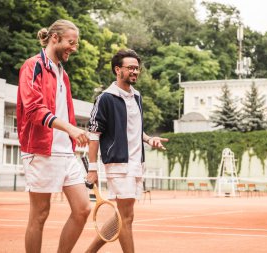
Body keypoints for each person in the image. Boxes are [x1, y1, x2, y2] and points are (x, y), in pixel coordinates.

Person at [17, 19, 90, 253]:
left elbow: (62, 110)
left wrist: (72, 134)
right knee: (39, 215)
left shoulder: (63, 74)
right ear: (55, 38)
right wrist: (70, 128)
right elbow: (34, 109)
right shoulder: (33, 65)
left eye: (76, 44)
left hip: (65, 152)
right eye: (71, 42)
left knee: (83, 209)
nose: (74, 48)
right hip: (40, 150)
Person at [86, 49, 168, 253]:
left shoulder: (137, 96)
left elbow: (135, 128)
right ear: (117, 70)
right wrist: (93, 168)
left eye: (137, 68)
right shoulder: (105, 98)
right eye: (130, 68)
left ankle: (89, 252)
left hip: (135, 163)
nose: (135, 72)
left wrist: (149, 139)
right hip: (118, 164)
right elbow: (93, 134)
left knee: (121, 215)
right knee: (127, 217)